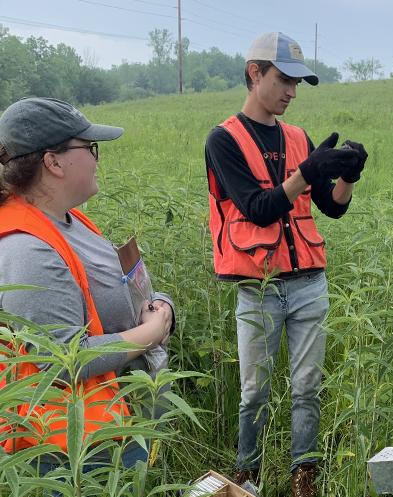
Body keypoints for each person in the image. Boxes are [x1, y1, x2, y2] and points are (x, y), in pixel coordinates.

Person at [204, 32, 366, 496]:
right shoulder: (224, 139)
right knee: (254, 391)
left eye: (298, 83)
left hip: (309, 282)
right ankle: (247, 474)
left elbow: (331, 207)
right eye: (284, 79)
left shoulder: (298, 138)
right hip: (259, 286)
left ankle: (304, 476)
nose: (292, 92)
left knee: (307, 387)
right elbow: (257, 207)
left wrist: (347, 178)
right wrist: (306, 173)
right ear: (255, 73)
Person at [0, 97, 175, 470]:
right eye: (90, 148)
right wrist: (151, 332)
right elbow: (62, 358)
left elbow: (122, 287)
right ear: (53, 162)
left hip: (109, 418)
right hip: (72, 448)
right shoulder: (26, 249)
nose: (97, 159)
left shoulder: (67, 221)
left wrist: (159, 305)